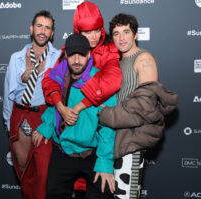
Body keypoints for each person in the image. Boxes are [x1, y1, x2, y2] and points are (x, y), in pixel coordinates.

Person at [42, 1, 122, 192]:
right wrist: (58, 111)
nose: (93, 36)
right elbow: (51, 83)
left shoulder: (109, 52)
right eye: (87, 32)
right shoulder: (69, 53)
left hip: (94, 142)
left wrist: (78, 106)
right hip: (66, 144)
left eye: (96, 30)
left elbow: (111, 84)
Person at [98, 13, 178, 199]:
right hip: (117, 137)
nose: (121, 38)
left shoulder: (143, 59)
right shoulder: (117, 61)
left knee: (125, 195)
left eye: (126, 32)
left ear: (135, 34)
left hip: (133, 139)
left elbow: (145, 106)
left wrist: (105, 115)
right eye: (116, 34)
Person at [32, 33, 117, 199]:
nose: (77, 60)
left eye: (81, 55)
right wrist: (47, 126)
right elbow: (53, 106)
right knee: (52, 193)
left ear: (89, 54)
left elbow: (109, 126)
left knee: (102, 194)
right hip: (63, 150)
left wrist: (105, 161)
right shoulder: (59, 76)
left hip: (92, 152)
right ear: (65, 55)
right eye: (72, 55)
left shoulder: (101, 80)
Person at [3, 10, 61, 199]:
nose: (43, 31)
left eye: (47, 27)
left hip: (43, 117)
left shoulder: (58, 57)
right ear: (31, 29)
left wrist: (50, 123)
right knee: (24, 171)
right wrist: (25, 76)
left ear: (52, 33)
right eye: (39, 26)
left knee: (43, 173)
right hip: (19, 115)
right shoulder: (16, 58)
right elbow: (8, 94)